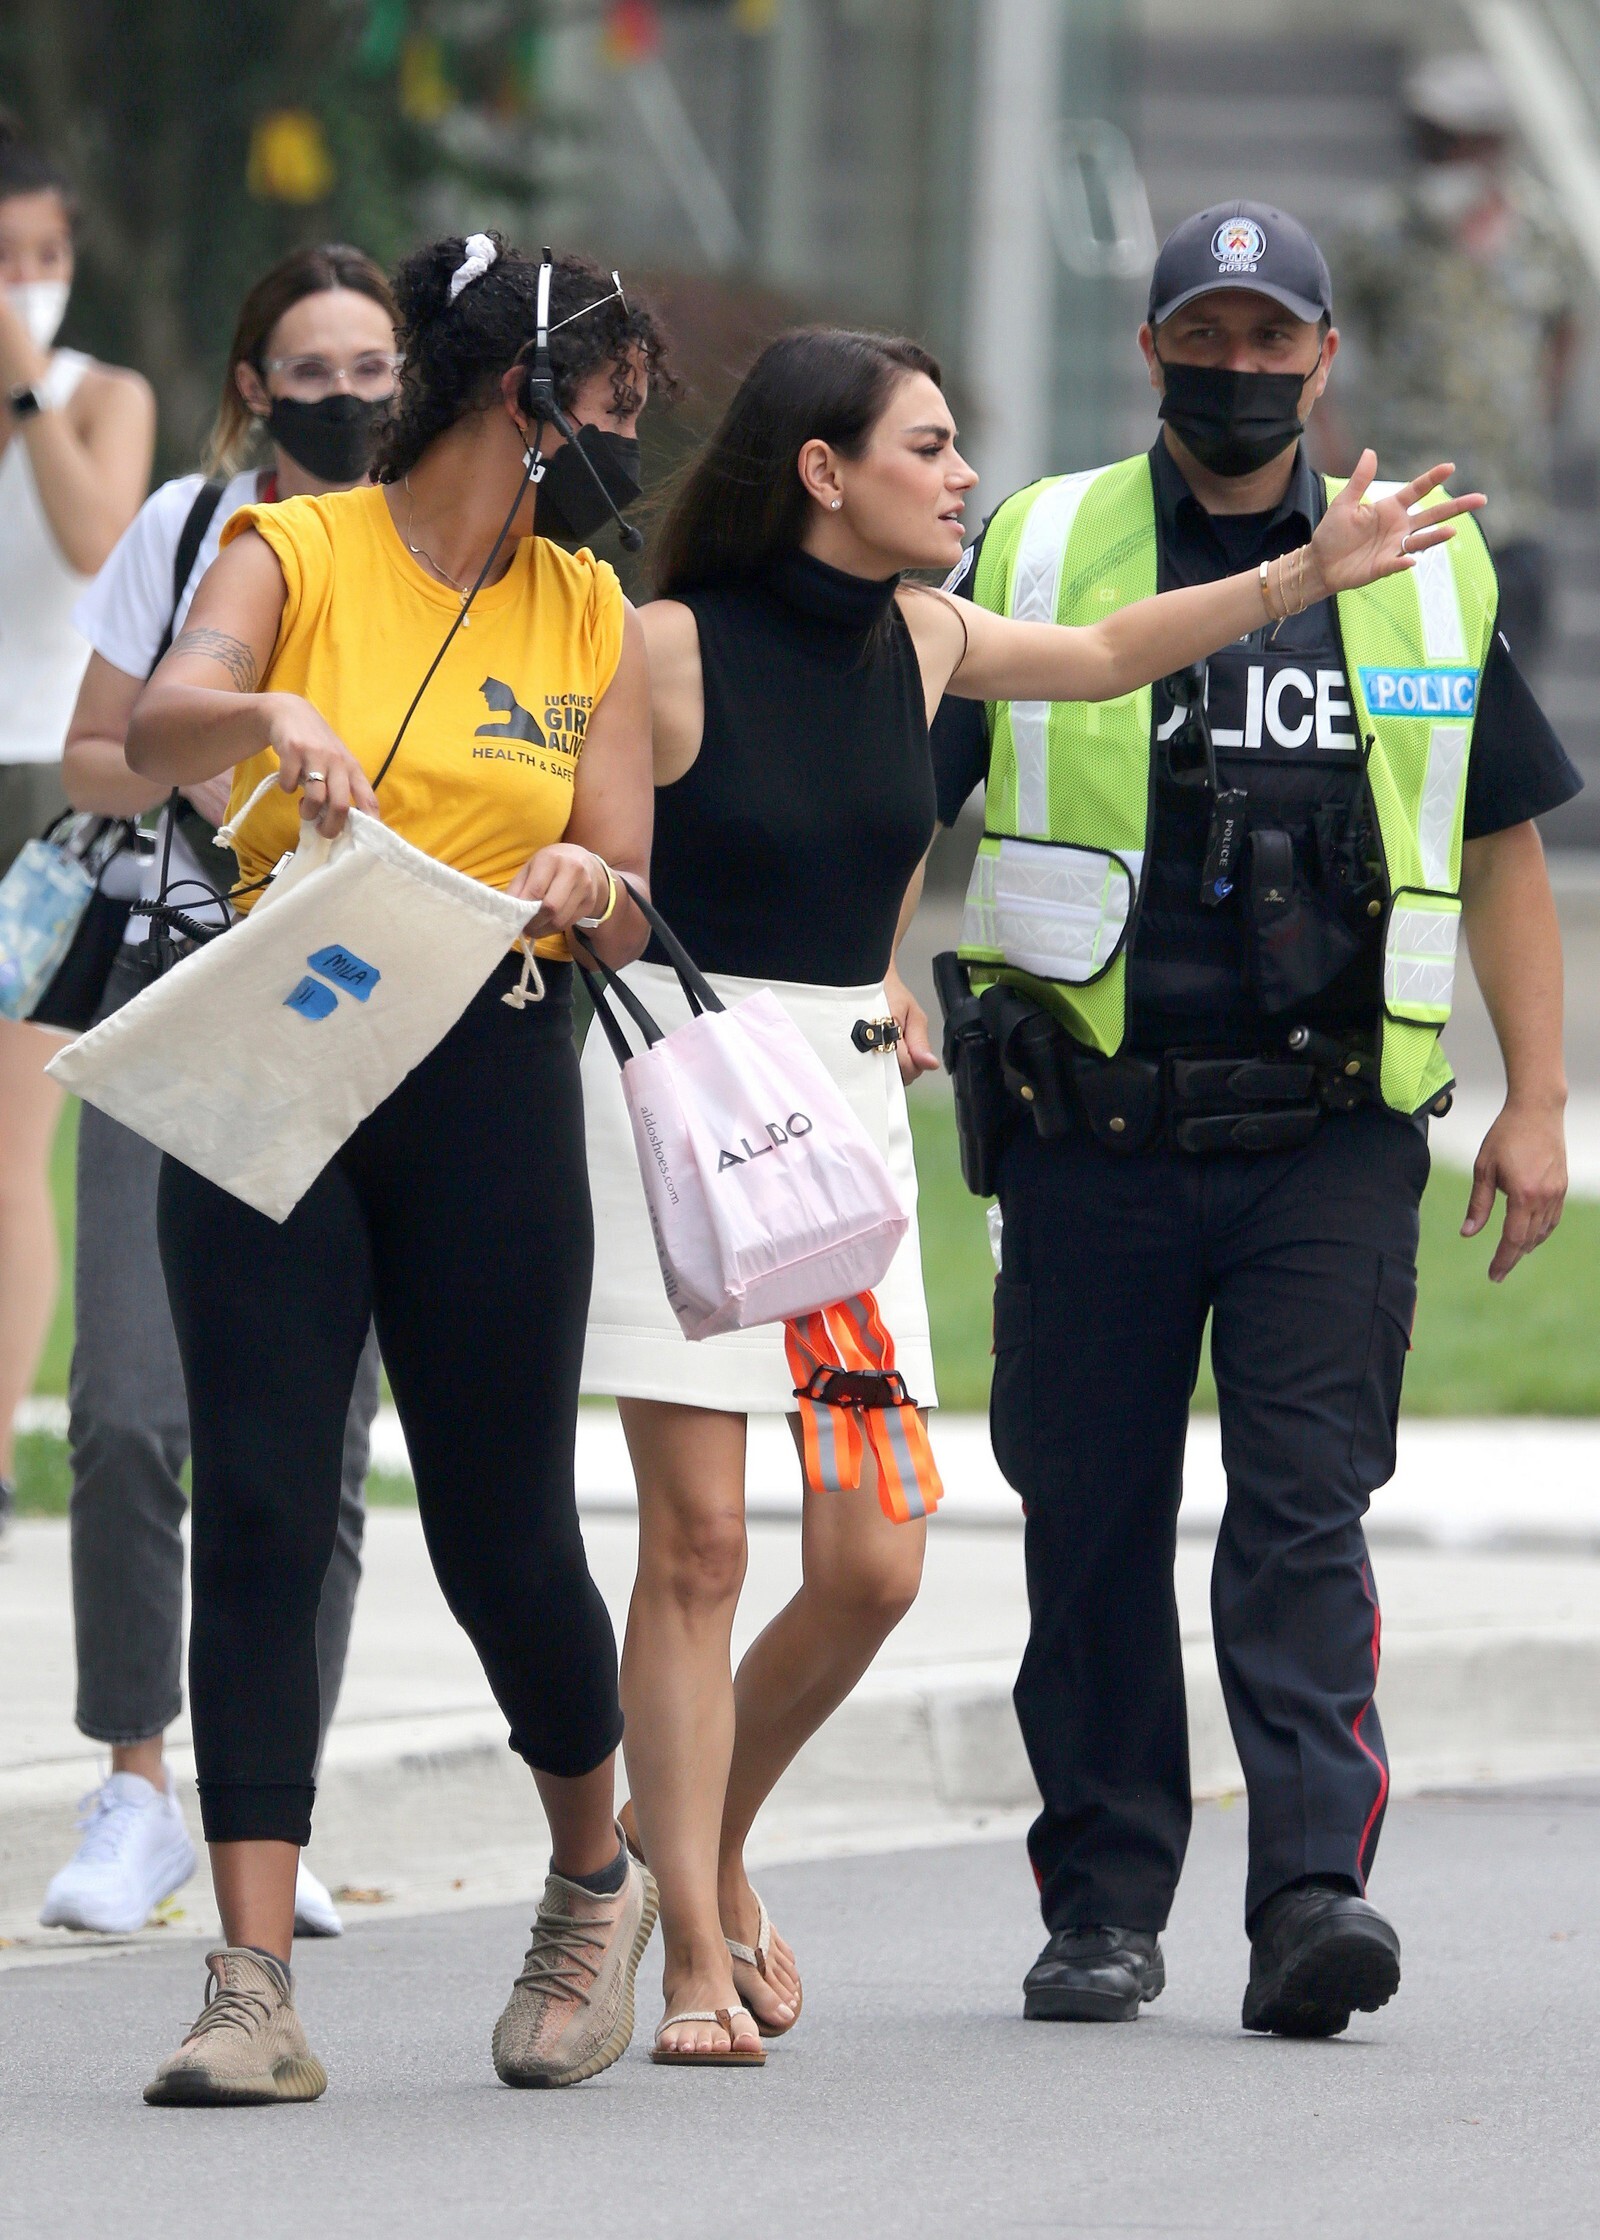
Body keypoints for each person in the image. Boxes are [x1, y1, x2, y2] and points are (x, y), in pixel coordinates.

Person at [579, 323, 1480, 2063]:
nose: (965, 477)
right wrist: (578, 874)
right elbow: (619, 904)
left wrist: (1307, 572)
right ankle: (690, 1949)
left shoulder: (929, 638)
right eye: (927, 447)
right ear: (825, 470)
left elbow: (1116, 652)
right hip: (683, 1117)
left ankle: (687, 1830)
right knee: (698, 1546)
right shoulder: (662, 647)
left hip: (838, 1134)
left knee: (873, 1564)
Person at [930, 200, 1577, 2040]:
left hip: (1330, 1133)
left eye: (1269, 338)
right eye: (1203, 337)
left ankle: (1309, 1898)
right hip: (1092, 1127)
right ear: (1148, 350)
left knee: (1306, 1514)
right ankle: (1101, 1906)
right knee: (1091, 1525)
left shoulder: (1426, 567)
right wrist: (862, 991)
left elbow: (1498, 845)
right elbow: (909, 775)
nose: (1237, 368)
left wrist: (1537, 1100)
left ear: (1322, 357)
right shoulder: (1042, 544)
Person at [120, 233, 669, 2105]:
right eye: (614, 405)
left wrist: (590, 880)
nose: (627, 444)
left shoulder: (591, 612)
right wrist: (265, 713)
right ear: (526, 396)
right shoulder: (294, 555)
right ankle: (250, 1987)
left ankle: (594, 1884)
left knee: (499, 1524)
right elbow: (159, 723)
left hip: (491, 1069)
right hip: (282, 1049)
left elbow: (625, 889)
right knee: (264, 1505)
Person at [38, 244, 401, 1947]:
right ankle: (136, 1784)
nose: (346, 399)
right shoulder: (191, 532)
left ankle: (277, 1799)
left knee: (319, 1439)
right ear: (254, 386)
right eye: (312, 372)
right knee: (128, 1405)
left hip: (359, 1007)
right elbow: (94, 756)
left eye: (373, 369)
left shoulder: (437, 548)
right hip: (177, 988)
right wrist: (237, 738)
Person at [0, 113, 153, 1543]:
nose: (25, 282)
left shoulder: (104, 396)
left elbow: (96, 544)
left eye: (42, 257)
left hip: (42, 793)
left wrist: (23, 381)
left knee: (9, 1140)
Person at [1329, 52, 1583, 669]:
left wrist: (1540, 410)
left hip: (1512, 510)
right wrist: (1333, 449)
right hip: (1405, 507)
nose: (1440, 157)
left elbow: (1566, 325)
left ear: (1492, 144)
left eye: (1456, 141)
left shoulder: (1542, 231)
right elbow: (1320, 329)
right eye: (1431, 140)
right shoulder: (1380, 231)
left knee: (1511, 688)